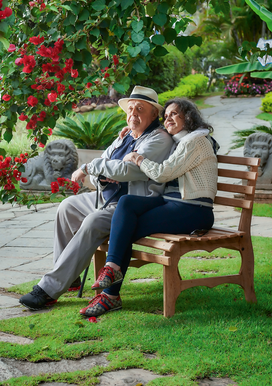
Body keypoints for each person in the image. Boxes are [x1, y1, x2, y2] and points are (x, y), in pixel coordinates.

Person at [19, 86, 174, 311]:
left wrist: (91, 167)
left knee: (92, 222)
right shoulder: (127, 136)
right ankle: (68, 277)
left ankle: (49, 289)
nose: (133, 114)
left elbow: (127, 170)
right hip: (107, 198)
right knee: (67, 207)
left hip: (132, 206)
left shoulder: (159, 139)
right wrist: (102, 173)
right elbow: (107, 159)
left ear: (153, 115)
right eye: (130, 109)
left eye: (140, 109)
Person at [79, 98, 218, 317]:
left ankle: (110, 295)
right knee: (127, 203)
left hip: (194, 209)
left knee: (128, 227)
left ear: (188, 117)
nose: (168, 118)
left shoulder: (196, 141)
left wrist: (138, 158)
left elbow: (164, 173)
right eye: (166, 115)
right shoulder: (180, 140)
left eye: (174, 114)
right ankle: (112, 272)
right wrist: (124, 136)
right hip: (173, 203)